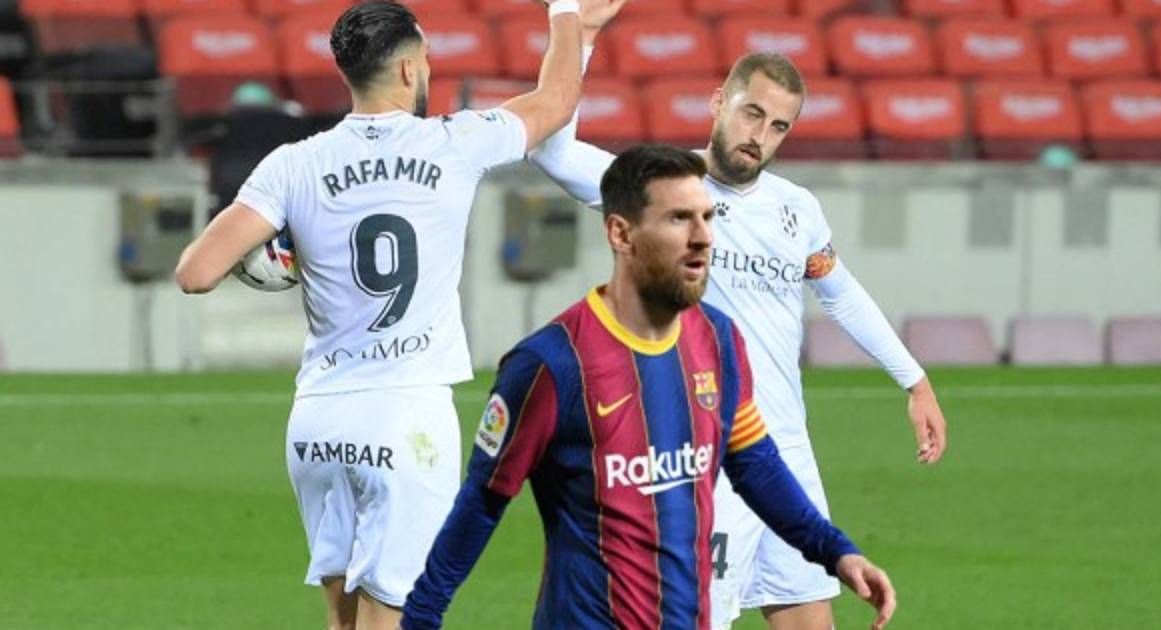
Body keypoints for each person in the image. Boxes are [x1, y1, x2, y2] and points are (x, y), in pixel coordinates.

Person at [174, 1, 627, 628]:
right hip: (406, 415)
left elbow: (195, 272)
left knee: (343, 622)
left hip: (318, 419)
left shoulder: (292, 164)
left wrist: (292, 258)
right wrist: (568, 13)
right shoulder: (455, 141)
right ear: (411, 69)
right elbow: (555, 103)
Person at [527, 48, 948, 630]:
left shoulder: (796, 209)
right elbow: (552, 152)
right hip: (701, 455)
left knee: (810, 618)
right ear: (719, 102)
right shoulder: (658, 187)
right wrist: (581, 35)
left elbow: (841, 294)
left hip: (785, 454)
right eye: (752, 114)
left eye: (778, 126)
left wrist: (915, 381)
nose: (760, 136)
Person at [401, 145, 896, 630]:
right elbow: (483, 501)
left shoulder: (718, 340)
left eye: (707, 217)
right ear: (621, 233)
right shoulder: (550, 364)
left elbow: (755, 463)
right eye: (679, 219)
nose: (703, 237)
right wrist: (420, 618)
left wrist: (836, 551)